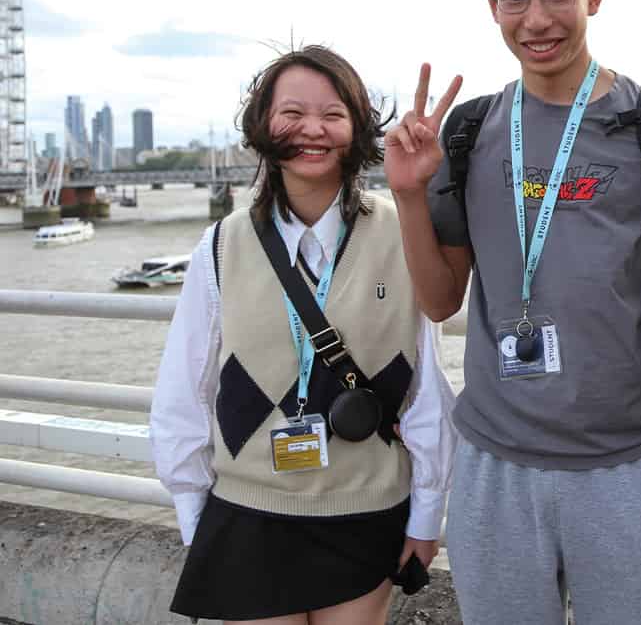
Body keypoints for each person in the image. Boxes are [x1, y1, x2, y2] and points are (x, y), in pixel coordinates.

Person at [383, 0, 641, 625]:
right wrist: (411, 197)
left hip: (629, 462)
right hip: (494, 463)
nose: (536, 19)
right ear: (491, 4)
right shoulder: (471, 131)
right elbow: (441, 299)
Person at [150, 46, 456, 625]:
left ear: (359, 129)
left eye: (334, 114)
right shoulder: (221, 246)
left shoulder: (403, 231)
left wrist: (426, 515)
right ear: (263, 125)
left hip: (367, 507)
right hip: (247, 511)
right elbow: (183, 390)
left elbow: (426, 387)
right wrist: (195, 516)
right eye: (292, 112)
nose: (313, 130)